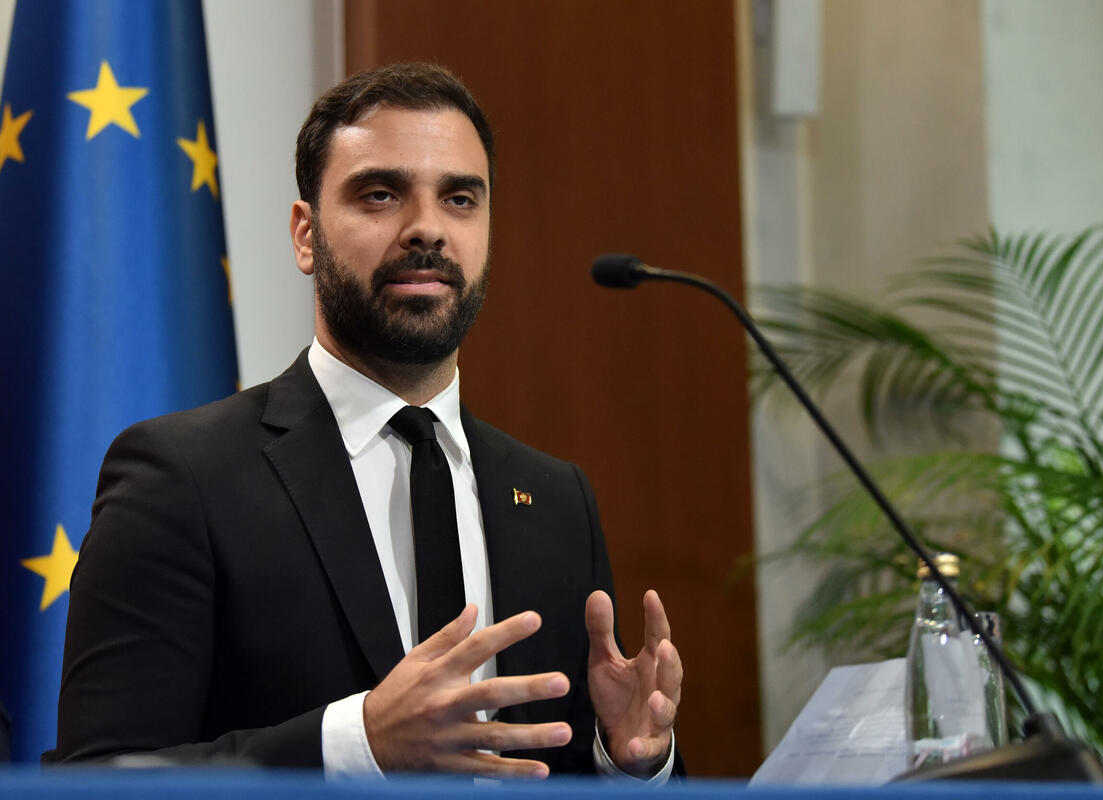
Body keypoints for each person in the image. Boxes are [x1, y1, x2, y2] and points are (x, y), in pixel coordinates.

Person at [52, 63, 682, 780]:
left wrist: (626, 760)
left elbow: (557, 767)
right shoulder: (181, 477)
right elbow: (97, 778)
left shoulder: (556, 499)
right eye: (380, 194)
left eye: (459, 199)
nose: (427, 229)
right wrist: (356, 744)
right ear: (306, 235)